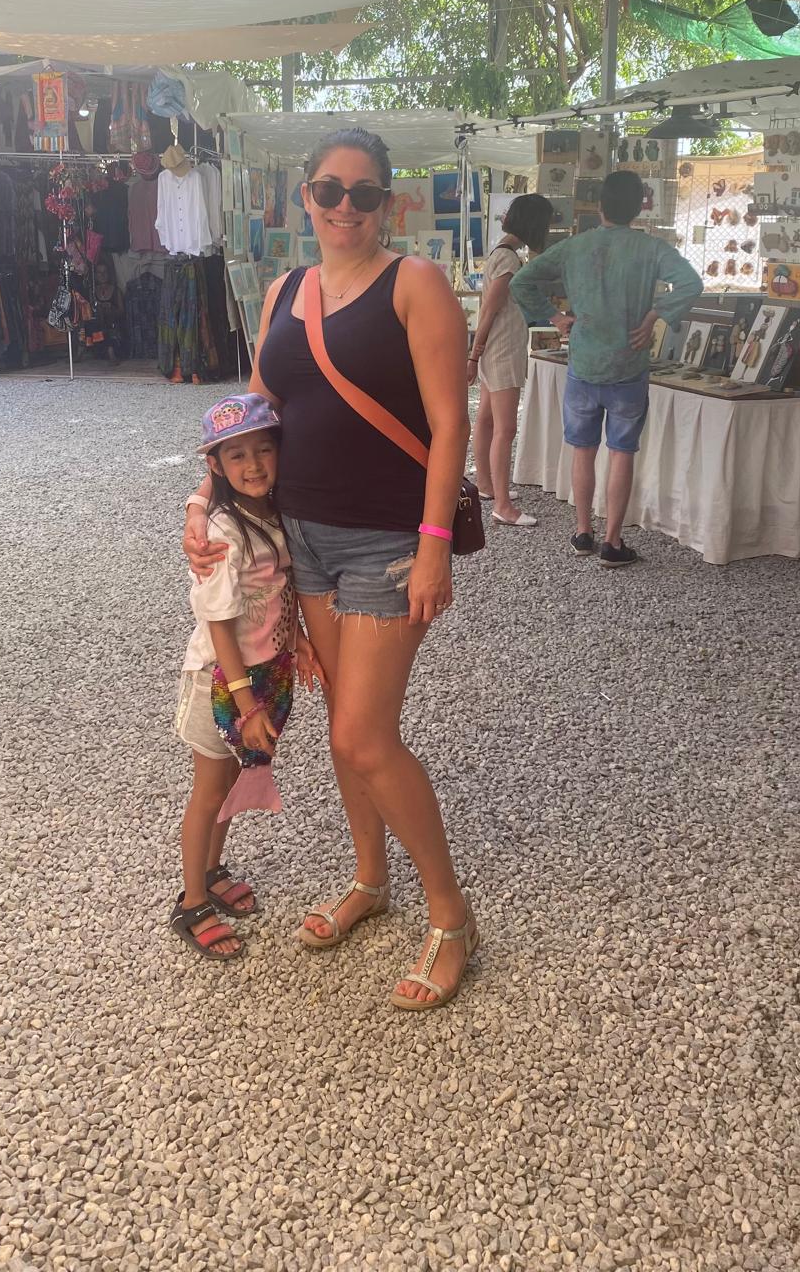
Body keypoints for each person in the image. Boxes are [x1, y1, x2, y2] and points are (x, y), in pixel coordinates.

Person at [184, 127, 478, 1010]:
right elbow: (252, 415)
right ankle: (369, 878)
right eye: (328, 190)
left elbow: (449, 424)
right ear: (303, 199)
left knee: (363, 734)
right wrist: (206, 504)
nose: (344, 206)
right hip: (299, 539)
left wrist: (432, 544)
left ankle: (451, 916)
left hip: (386, 540)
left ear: (388, 202)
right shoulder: (284, 291)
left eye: (363, 192)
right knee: (346, 729)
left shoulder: (416, 285)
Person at [171, 394, 326, 960]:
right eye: (237, 457)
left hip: (261, 674)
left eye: (264, 450)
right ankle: (191, 902)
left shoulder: (270, 513)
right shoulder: (224, 536)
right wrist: (246, 703)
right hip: (221, 679)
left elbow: (275, 591)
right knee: (210, 790)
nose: (254, 465)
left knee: (232, 782)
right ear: (215, 467)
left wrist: (297, 640)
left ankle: (211, 872)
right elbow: (218, 621)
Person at [511, 170, 703, 568]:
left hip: (583, 362)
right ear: (639, 207)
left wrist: (555, 317)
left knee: (582, 450)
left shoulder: (575, 247)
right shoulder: (651, 248)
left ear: (599, 207)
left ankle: (583, 533)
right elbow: (690, 283)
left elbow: (523, 280)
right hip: (628, 365)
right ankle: (613, 542)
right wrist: (654, 317)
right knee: (621, 453)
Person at [469, 192, 554, 529]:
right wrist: (474, 353)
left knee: (488, 421)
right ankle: (502, 505)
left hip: (497, 348)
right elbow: (490, 308)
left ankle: (488, 486)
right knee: (505, 428)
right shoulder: (508, 259)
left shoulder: (501, 253)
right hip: (501, 349)